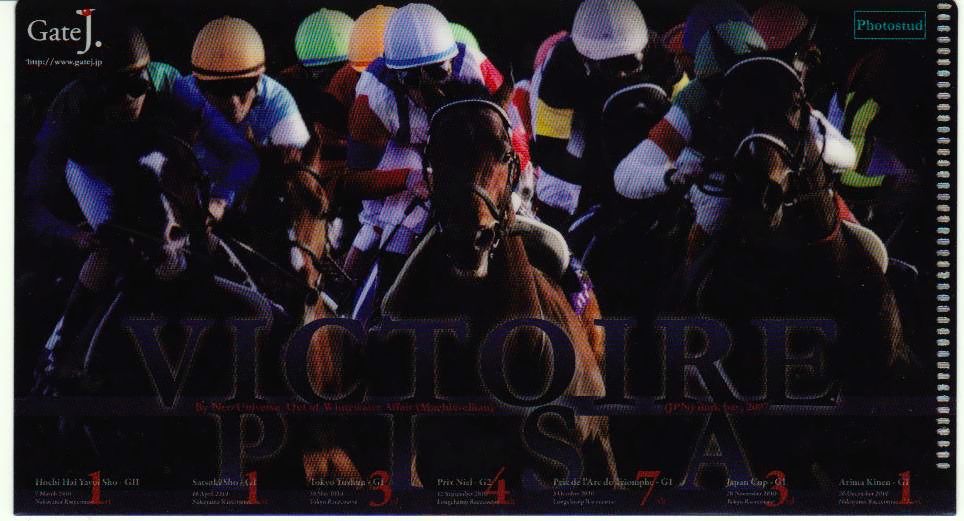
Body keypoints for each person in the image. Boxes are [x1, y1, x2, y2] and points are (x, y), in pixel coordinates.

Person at [613, 1, 857, 258]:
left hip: (791, 197)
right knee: (714, 205)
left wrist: (808, 147)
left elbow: (848, 155)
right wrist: (673, 177)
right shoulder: (694, 99)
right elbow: (626, 174)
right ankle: (690, 270)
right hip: (724, 197)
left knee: (860, 240)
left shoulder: (777, 88)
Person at [343, 3, 505, 299]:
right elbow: (353, 180)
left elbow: (513, 139)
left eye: (436, 71)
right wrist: (407, 179)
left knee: (518, 200)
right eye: (411, 78)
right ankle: (364, 299)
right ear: (394, 74)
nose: (426, 88)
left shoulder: (476, 68)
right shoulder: (372, 96)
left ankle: (572, 277)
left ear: (452, 61)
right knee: (387, 218)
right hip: (405, 150)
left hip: (466, 150)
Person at [529, 0, 679, 230]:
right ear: (586, 60)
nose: (622, 74)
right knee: (563, 189)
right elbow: (550, 153)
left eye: (629, 62)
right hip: (579, 114)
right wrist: (604, 180)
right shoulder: (560, 70)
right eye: (611, 65)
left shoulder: (656, 51)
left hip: (634, 107)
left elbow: (685, 107)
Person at [173, 16, 310, 226]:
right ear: (198, 85)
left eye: (243, 86)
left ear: (260, 77)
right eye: (220, 91)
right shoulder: (184, 92)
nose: (234, 102)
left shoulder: (281, 106)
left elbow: (301, 182)